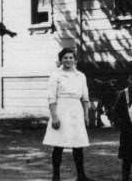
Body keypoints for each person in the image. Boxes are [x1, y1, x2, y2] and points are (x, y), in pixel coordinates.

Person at [44, 48, 92, 181]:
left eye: (71, 57)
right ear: (61, 60)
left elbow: (85, 97)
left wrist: (86, 115)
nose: (68, 60)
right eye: (65, 58)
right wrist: (54, 116)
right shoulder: (55, 75)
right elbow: (51, 97)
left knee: (78, 145)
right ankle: (56, 176)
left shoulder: (81, 75)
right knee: (58, 145)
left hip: (76, 110)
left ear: (75, 60)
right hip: (61, 110)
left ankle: (81, 176)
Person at [112, 63, 132, 181]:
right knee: (127, 160)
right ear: (128, 79)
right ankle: (125, 177)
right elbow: (115, 112)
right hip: (127, 133)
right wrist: (119, 124)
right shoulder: (123, 94)